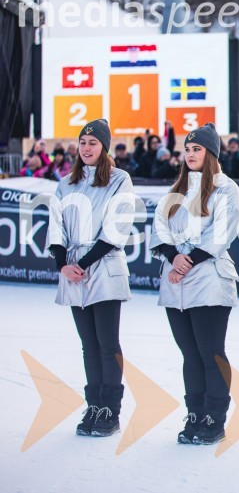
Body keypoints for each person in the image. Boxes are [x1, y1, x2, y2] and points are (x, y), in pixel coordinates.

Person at [150, 123, 239, 445]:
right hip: (176, 283)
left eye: (197, 149)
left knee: (210, 352)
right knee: (190, 354)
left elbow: (221, 233)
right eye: (187, 149)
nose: (190, 154)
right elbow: (159, 228)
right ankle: (195, 414)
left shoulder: (225, 188)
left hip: (210, 281)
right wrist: (173, 258)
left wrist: (184, 262)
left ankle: (214, 418)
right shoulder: (175, 190)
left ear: (211, 153)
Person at [47, 119, 135, 437]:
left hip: (104, 268)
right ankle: (94, 405)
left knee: (107, 342)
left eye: (93, 142)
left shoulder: (118, 179)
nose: (86, 147)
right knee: (88, 346)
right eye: (83, 142)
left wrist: (83, 263)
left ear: (104, 147)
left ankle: (110, 409)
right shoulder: (65, 183)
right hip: (73, 272)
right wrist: (63, 264)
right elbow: (55, 225)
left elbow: (116, 227)